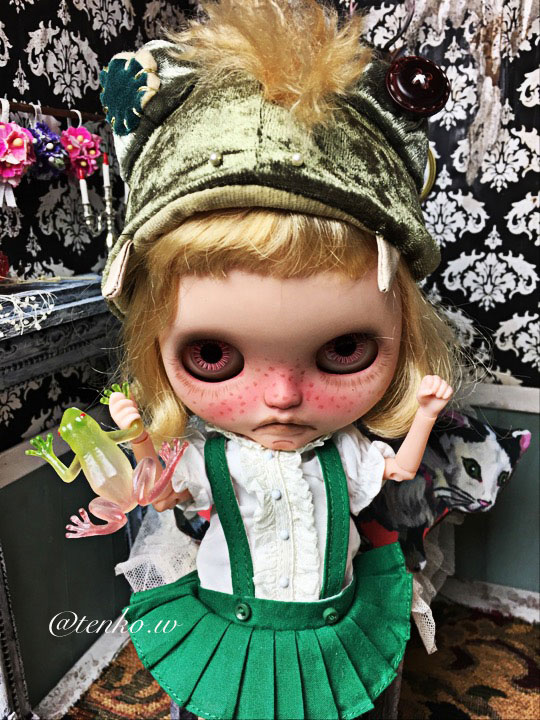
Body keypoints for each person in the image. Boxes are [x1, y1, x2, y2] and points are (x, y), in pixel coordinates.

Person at [99, 1, 458, 717]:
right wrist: (138, 435)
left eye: (344, 349)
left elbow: (397, 470)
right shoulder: (213, 458)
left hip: (331, 619)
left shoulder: (346, 452)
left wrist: (422, 414)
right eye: (213, 354)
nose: (284, 395)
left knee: (337, 701)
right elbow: (162, 494)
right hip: (230, 618)